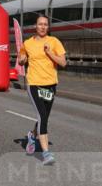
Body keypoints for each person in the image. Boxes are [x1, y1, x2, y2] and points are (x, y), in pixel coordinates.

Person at [17, 14, 66, 165]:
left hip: (50, 85)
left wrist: (50, 53)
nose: (43, 27)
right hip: (34, 84)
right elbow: (21, 58)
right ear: (35, 26)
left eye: (45, 24)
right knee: (42, 117)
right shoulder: (28, 43)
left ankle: (32, 136)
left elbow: (63, 63)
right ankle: (46, 153)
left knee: (43, 117)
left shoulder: (54, 41)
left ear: (48, 27)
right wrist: (22, 59)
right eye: (40, 24)